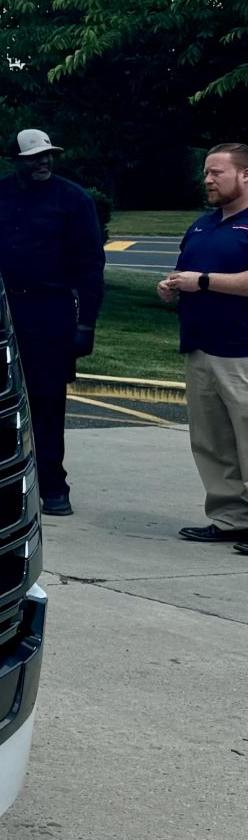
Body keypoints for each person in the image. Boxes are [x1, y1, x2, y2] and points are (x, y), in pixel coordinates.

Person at [0, 129, 104, 518]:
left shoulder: (73, 200)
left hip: (50, 313)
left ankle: (53, 487)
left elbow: (90, 266)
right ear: (15, 159)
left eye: (47, 155)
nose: (43, 162)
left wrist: (86, 325)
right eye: (34, 157)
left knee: (47, 403)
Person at [157, 143, 248, 545]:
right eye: (206, 173)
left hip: (241, 352)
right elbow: (185, 271)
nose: (208, 180)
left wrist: (204, 281)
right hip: (199, 347)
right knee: (212, 443)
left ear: (245, 176)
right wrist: (172, 285)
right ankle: (231, 520)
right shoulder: (201, 225)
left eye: (217, 173)